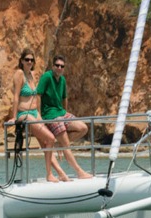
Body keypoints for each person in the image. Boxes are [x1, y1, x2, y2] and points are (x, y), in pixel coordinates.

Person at [8, 48, 70, 182]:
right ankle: (49, 174)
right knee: (51, 138)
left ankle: (59, 172)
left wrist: (40, 116)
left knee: (46, 143)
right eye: (27, 59)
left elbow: (36, 97)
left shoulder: (31, 74)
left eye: (31, 60)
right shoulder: (19, 74)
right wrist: (14, 116)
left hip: (35, 113)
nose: (29, 62)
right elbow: (16, 96)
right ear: (22, 61)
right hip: (24, 114)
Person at [37, 55, 93, 180]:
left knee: (83, 128)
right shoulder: (46, 77)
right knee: (67, 144)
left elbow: (64, 98)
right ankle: (79, 172)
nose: (59, 68)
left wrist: (65, 114)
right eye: (57, 65)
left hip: (61, 112)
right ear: (53, 66)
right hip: (50, 115)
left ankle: (58, 145)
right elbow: (38, 95)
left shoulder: (62, 80)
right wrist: (40, 117)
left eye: (62, 66)